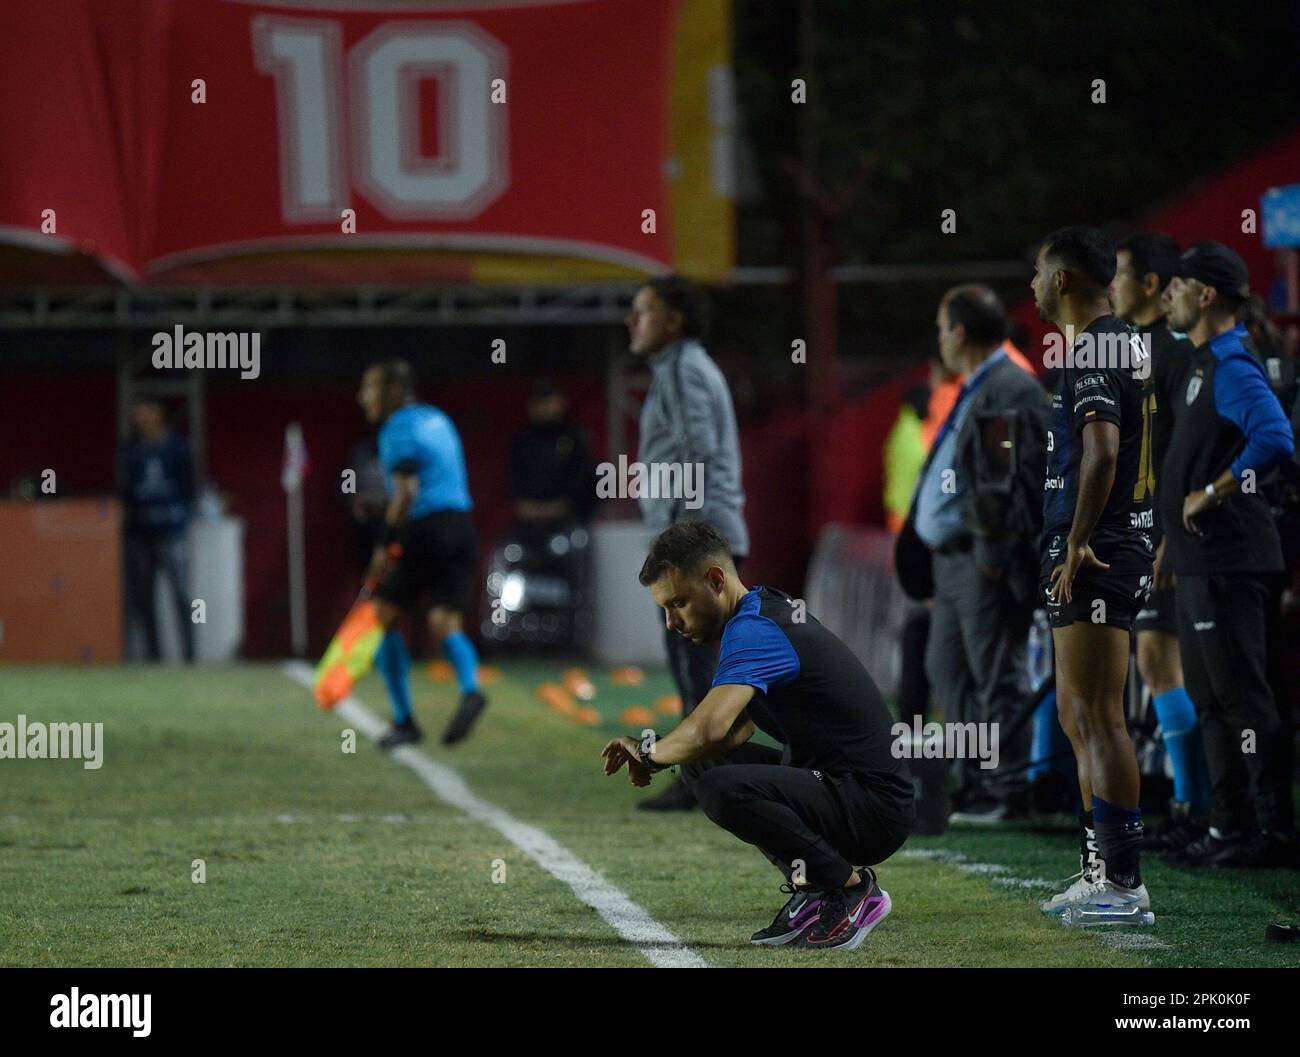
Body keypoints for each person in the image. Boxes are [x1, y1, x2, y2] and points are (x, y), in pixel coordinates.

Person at [601, 520, 913, 950]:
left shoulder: (756, 630)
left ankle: (851, 891)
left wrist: (650, 753)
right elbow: (731, 731)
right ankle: (815, 885)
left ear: (715, 580)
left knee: (719, 788)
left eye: (678, 603)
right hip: (845, 789)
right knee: (702, 764)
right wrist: (669, 754)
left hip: (872, 805)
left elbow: (707, 726)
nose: (671, 622)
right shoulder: (756, 614)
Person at [1157, 242, 1297, 868]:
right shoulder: (1199, 363)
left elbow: (1276, 438)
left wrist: (1213, 493)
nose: (1168, 296)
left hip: (1230, 560)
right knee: (1214, 702)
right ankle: (1228, 828)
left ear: (1205, 295)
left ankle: (1273, 831)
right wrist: (1171, 539)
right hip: (1199, 559)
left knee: (1244, 700)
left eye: (1178, 286)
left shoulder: (1235, 365)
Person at [1031, 226, 1155, 926]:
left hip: (1100, 550)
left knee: (1100, 715)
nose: (1033, 286)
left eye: (1039, 273)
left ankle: (1124, 884)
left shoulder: (1099, 346)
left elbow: (1103, 450)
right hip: (1100, 544)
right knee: (1077, 714)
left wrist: (1077, 541)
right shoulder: (1121, 343)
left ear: (1067, 279)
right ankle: (1100, 870)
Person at [910, 285, 1048, 822]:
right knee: (948, 671)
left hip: (982, 559)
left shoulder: (1013, 387)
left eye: (943, 329)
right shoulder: (980, 384)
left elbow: (1019, 481)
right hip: (952, 561)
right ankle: (974, 779)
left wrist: (996, 550)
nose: (939, 340)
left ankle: (1006, 787)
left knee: (994, 671)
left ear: (960, 332)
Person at [626, 275, 750, 811]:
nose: (633, 322)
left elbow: (698, 454)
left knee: (696, 664)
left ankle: (704, 779)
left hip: (692, 543)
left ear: (674, 320)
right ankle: (706, 775)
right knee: (695, 664)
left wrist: (685, 547)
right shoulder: (678, 369)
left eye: (644, 311)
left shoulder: (681, 369)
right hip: (693, 539)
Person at [1110, 232, 1210, 850]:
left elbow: (1185, 450)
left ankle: (1195, 805)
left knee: (1160, 662)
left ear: (1151, 283)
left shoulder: (1174, 354)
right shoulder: (1127, 348)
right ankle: (1186, 803)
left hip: (1163, 533)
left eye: (1121, 274)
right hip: (1130, 530)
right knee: (1146, 665)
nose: (1113, 284)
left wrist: (1170, 533)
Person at [357, 360, 488, 749]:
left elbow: (409, 492)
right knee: (445, 619)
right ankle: (470, 689)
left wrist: (384, 543)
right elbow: (438, 481)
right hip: (463, 526)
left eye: (370, 388)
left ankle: (404, 721)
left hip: (426, 530)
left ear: (394, 392)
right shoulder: (437, 418)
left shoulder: (396, 428)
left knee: (380, 617)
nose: (363, 397)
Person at [117, 398, 195, 663]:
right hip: (140, 533)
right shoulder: (131, 451)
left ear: (159, 413)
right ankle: (153, 655)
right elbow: (124, 491)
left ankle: (189, 654)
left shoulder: (177, 448)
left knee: (182, 594)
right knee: (144, 598)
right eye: (137, 413)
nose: (140, 418)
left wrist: (183, 517)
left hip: (171, 531)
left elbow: (190, 486)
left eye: (145, 411)